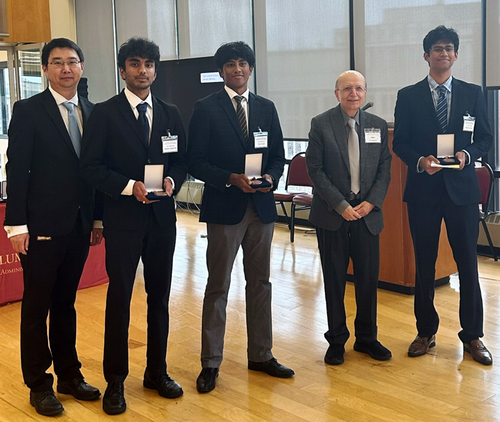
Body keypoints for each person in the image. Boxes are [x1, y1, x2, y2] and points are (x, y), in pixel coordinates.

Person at [80, 37, 187, 414]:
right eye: (136, 64)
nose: (143, 71)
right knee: (120, 300)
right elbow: (91, 167)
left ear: (156, 70)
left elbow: (181, 160)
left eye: (149, 65)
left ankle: (157, 372)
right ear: (123, 70)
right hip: (123, 220)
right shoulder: (104, 114)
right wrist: (129, 187)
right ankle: (115, 381)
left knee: (159, 298)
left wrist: (174, 180)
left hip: (162, 220)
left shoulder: (171, 113)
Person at [187, 41, 294, 394]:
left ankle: (261, 354)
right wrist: (231, 178)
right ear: (221, 71)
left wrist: (271, 178)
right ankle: (211, 362)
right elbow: (195, 161)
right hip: (225, 207)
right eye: (231, 64)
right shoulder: (205, 108)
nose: (238, 69)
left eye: (243, 64)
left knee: (260, 283)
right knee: (219, 285)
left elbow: (279, 156)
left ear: (250, 69)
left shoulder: (266, 107)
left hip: (261, 208)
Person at [4, 38, 102, 416]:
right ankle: (38, 384)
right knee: (37, 306)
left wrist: (96, 218)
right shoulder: (28, 110)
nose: (66, 69)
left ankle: (69, 375)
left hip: (78, 226)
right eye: (57, 62)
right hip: (40, 228)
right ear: (44, 69)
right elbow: (18, 169)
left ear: (81, 68)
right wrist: (16, 225)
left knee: (66, 304)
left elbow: (92, 174)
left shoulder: (92, 112)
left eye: (72, 62)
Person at [393, 26, 493, 365]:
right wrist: (421, 161)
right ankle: (425, 331)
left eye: (449, 48)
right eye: (437, 49)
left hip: (461, 191)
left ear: (456, 54)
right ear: (426, 55)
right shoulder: (408, 95)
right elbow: (400, 143)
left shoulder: (472, 93)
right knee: (424, 263)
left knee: (468, 264)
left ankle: (473, 336)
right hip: (424, 189)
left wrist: (467, 156)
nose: (444, 54)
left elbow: (484, 137)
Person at [306, 70, 392, 365]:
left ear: (365, 92)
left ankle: (367, 338)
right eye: (347, 89)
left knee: (368, 280)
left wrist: (372, 202)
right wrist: (341, 204)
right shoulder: (321, 124)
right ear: (337, 93)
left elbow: (384, 168)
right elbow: (315, 170)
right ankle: (337, 340)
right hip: (333, 215)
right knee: (334, 280)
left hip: (367, 215)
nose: (353, 94)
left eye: (359, 88)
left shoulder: (378, 126)